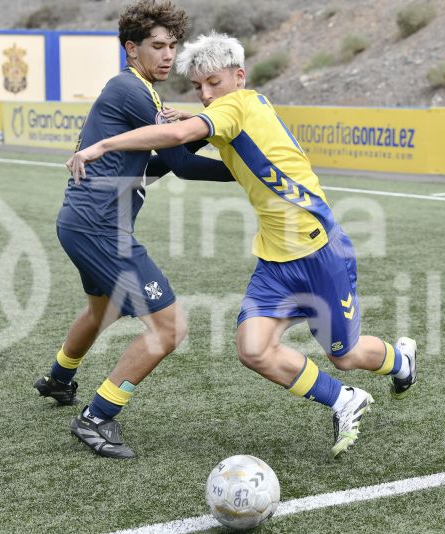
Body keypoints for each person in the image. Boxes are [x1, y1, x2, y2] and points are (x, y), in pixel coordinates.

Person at [67, 32, 418, 459]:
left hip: (319, 253)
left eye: (213, 82)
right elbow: (199, 137)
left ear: (239, 76)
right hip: (275, 259)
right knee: (252, 349)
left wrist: (104, 144)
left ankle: (401, 361)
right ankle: (344, 400)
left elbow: (181, 140)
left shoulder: (236, 106)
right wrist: (185, 118)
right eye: (198, 87)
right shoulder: (244, 106)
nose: (207, 94)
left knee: (346, 354)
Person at [34, 0, 233, 459]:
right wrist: (245, 169)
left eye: (172, 46)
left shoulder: (139, 91)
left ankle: (59, 380)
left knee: (101, 311)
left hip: (81, 224)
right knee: (169, 328)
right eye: (157, 46)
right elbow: (181, 164)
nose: (167, 55)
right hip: (102, 229)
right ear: (131, 49)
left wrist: (206, 129)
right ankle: (96, 417)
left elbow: (155, 163)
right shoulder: (133, 91)